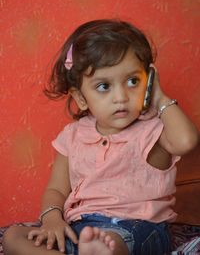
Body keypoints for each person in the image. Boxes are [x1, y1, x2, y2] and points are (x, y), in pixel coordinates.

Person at [3, 19, 199, 255]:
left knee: (113, 241)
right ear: (81, 98)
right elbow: (56, 189)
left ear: (149, 81)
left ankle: (102, 250)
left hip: (138, 229)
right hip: (82, 229)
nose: (121, 96)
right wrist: (52, 219)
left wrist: (160, 99)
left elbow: (187, 141)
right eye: (104, 86)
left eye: (132, 81)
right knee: (14, 236)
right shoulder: (73, 136)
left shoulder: (153, 130)